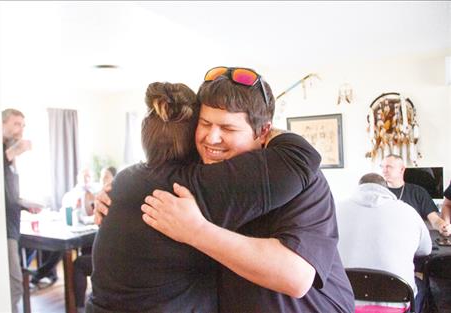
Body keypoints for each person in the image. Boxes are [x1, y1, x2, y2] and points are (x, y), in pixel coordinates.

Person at [96, 67, 354, 312]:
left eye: (228, 128)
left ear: (263, 131)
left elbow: (295, 277)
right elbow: (153, 175)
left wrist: (196, 231)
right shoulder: (198, 170)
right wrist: (111, 194)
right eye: (205, 123)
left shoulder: (302, 180)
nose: (212, 138)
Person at [336, 173, 432, 310]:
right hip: (395, 301)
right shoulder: (408, 211)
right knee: (422, 286)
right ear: (386, 189)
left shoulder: (335, 208)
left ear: (359, 187)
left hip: (343, 300)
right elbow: (426, 249)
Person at [2, 108, 33, 313]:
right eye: (16, 124)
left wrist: (24, 203)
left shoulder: (10, 156)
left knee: (13, 284)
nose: (20, 130)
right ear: (1, 124)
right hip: (2, 229)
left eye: (23, 125)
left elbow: (6, 194)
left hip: (13, 225)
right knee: (14, 285)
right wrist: (12, 152)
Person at [73, 166, 116, 310]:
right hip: (115, 256)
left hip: (112, 260)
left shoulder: (109, 198)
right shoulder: (104, 196)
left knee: (78, 263)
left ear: (115, 179)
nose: (102, 180)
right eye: (101, 177)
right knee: (86, 251)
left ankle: (78, 307)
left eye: (106, 177)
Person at [380, 154, 451, 236]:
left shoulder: (418, 192)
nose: (384, 170)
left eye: (389, 167)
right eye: (382, 167)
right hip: (384, 238)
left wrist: (443, 226)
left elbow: (434, 219)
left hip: (413, 239)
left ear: (402, 169)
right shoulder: (376, 193)